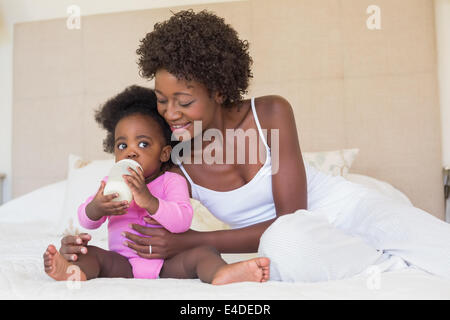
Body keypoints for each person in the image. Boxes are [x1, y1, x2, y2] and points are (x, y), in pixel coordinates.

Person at [58, 9, 450, 282]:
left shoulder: (270, 113)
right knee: (286, 246)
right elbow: (151, 215)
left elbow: (292, 213)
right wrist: (83, 243)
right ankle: (390, 269)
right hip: (289, 238)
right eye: (162, 99)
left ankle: (389, 253)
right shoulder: (175, 160)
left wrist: (191, 240)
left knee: (435, 247)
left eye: (185, 100)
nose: (171, 113)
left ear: (219, 90)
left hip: (345, 211)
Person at [43, 85, 270, 284]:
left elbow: (182, 221)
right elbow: (86, 219)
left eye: (142, 143)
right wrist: (97, 207)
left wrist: (150, 201)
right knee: (87, 253)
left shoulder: (172, 181)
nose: (130, 151)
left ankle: (222, 273)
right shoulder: (111, 181)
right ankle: (73, 271)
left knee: (205, 253)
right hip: (122, 263)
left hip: (168, 262)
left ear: (164, 153)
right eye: (122, 146)